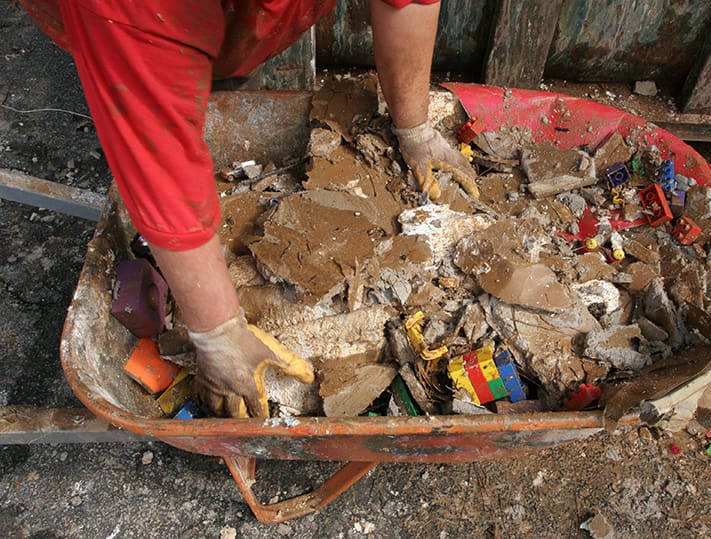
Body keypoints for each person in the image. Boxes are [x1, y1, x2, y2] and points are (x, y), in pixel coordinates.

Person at [22, 0, 477, 418]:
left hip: (221, 19)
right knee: (167, 115)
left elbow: (408, 2)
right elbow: (157, 154)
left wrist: (414, 126)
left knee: (216, 85)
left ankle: (218, 67)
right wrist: (215, 331)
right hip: (134, 24)